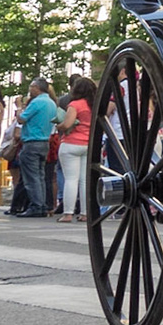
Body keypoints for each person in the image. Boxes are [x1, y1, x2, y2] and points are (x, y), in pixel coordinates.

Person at [8, 78, 56, 217]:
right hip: (44, 141)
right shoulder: (51, 103)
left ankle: (36, 205)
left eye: (31, 86)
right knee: (40, 175)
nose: (29, 90)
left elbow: (21, 118)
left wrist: (18, 106)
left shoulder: (37, 102)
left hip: (32, 141)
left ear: (37, 87)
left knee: (31, 177)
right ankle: (41, 204)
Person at [55, 76, 95, 223]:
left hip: (71, 143)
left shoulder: (75, 104)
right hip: (88, 144)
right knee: (85, 180)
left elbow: (67, 124)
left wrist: (59, 126)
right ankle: (85, 213)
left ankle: (68, 213)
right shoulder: (94, 105)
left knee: (71, 179)